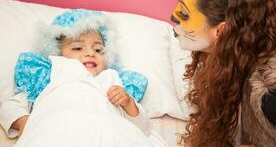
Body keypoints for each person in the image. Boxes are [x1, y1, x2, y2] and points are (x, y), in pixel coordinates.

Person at [171, 0, 276, 147]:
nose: (173, 16)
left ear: (221, 31)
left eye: (184, 12)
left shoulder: (274, 97)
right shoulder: (239, 52)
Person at [0, 9, 165, 147]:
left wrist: (129, 104)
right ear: (56, 52)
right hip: (57, 130)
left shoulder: (113, 79)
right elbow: (10, 106)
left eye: (98, 50)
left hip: (110, 132)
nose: (89, 53)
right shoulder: (50, 73)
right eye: (78, 48)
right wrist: (28, 124)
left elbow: (143, 129)